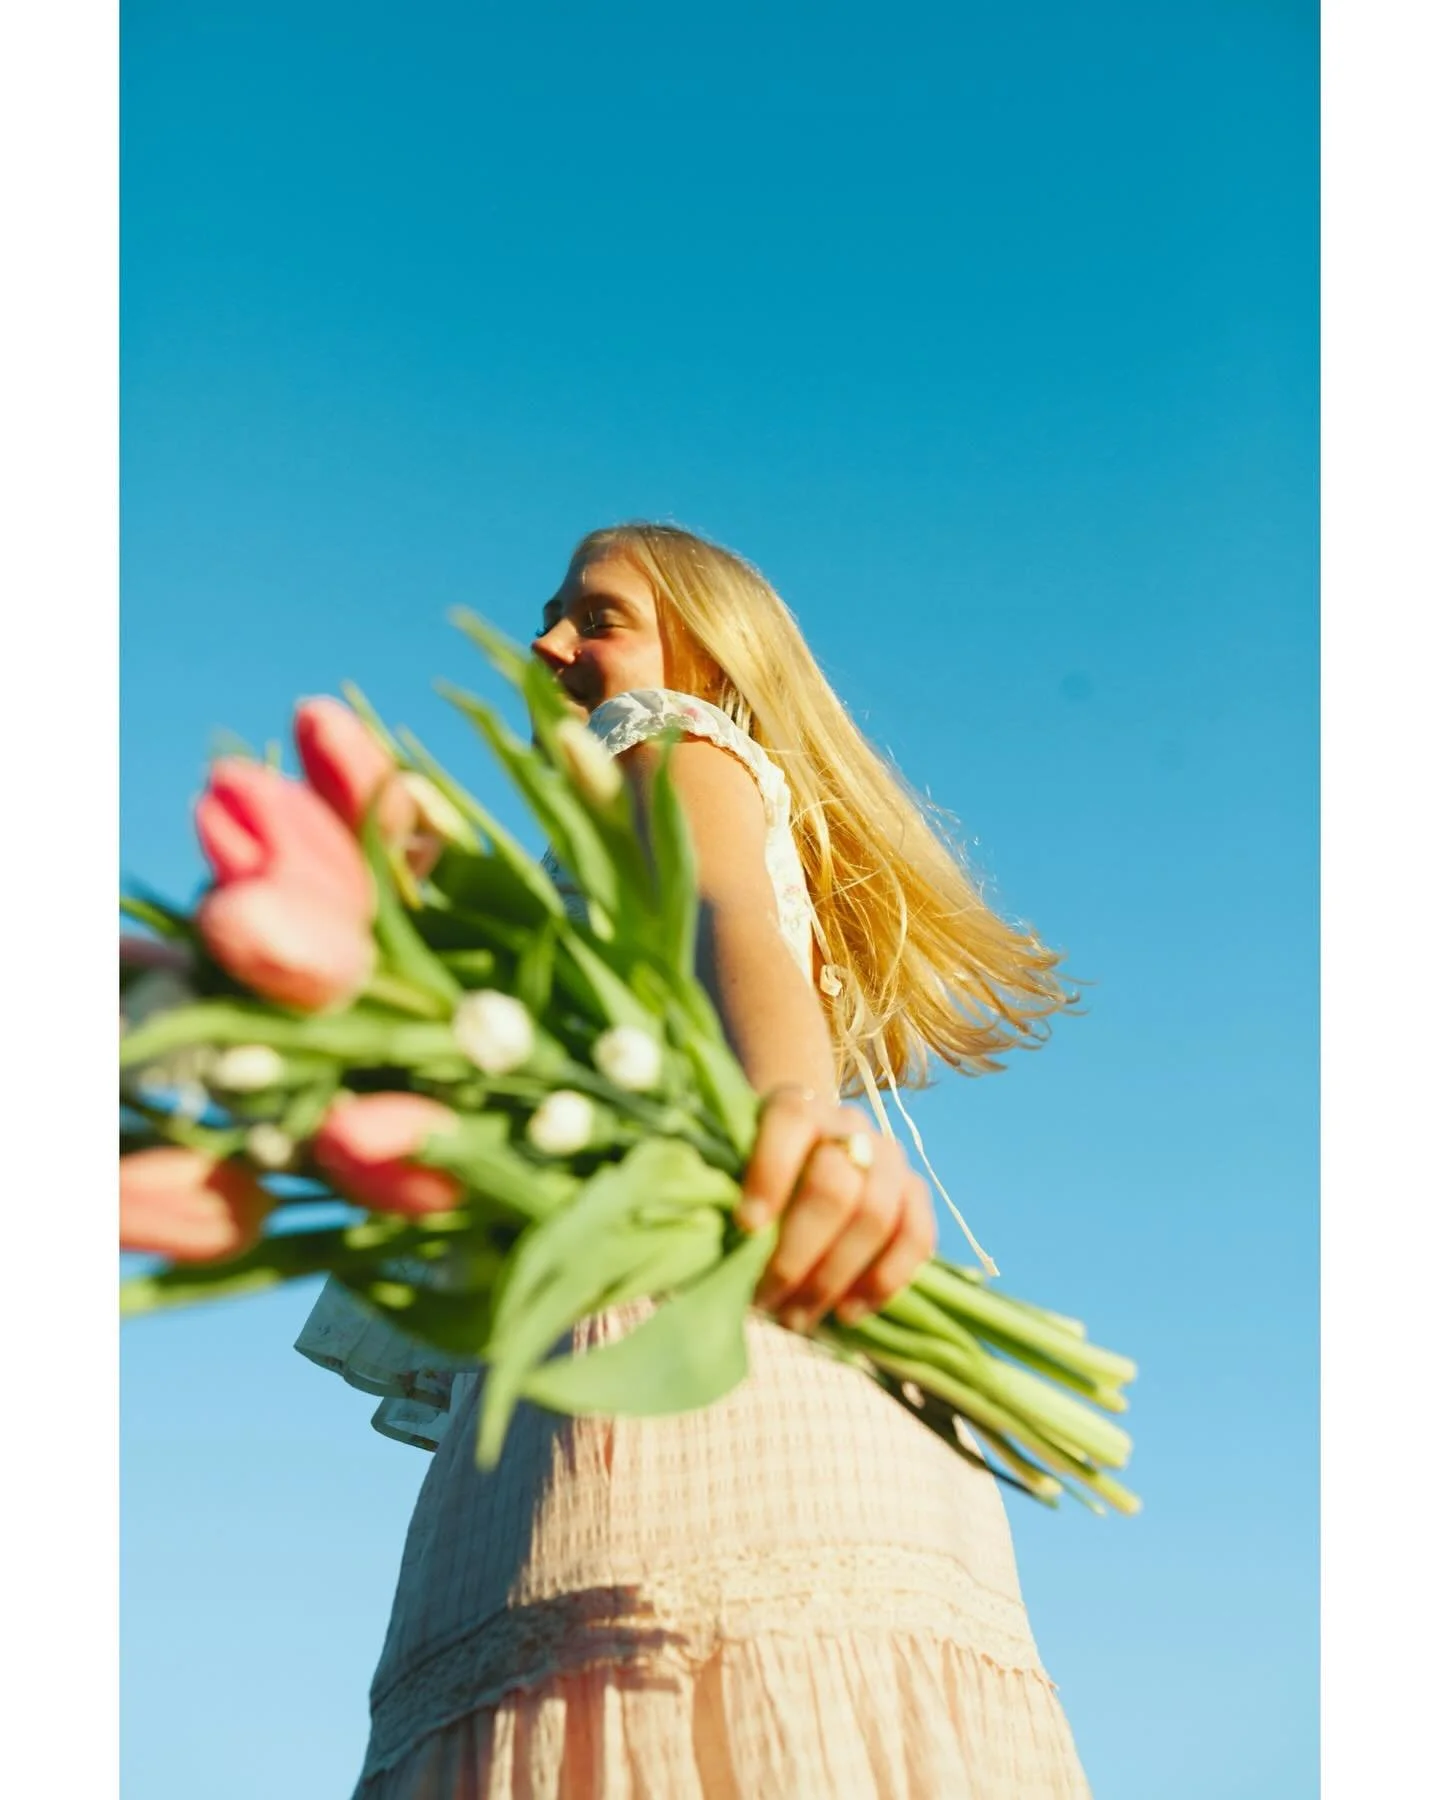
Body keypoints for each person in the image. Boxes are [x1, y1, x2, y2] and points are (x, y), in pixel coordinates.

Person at [296, 522, 1092, 1798]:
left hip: (679, 1306)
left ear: (705, 655)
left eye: (596, 616)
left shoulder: (663, 739)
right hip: (781, 1319)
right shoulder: (649, 788)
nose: (550, 644)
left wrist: (799, 1128)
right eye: (550, 613)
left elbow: (733, 926)